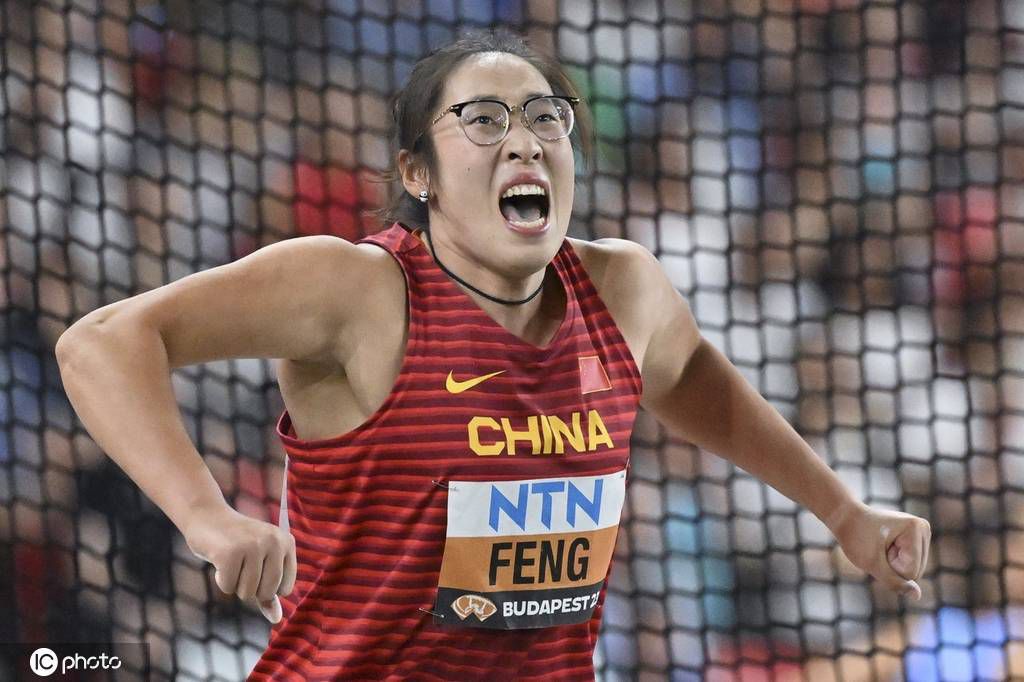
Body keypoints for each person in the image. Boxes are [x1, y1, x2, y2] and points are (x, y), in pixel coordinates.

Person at [55, 30, 931, 680]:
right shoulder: (356, 290)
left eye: (547, 117)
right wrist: (210, 520)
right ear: (420, 172)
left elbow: (690, 375)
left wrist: (841, 511)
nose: (526, 139)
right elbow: (101, 342)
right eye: (483, 120)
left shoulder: (623, 288)